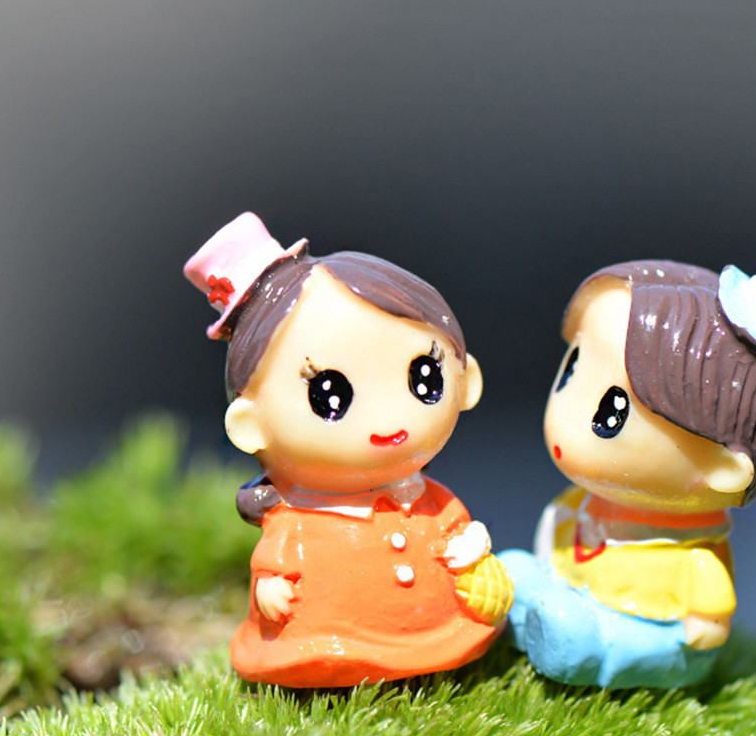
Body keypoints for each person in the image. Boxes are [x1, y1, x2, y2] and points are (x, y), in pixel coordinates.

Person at [185, 212, 512, 687]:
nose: (389, 418)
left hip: (439, 628)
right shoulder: (299, 519)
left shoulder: (429, 500)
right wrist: (271, 588)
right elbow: (276, 559)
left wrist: (471, 558)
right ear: (250, 426)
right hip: (325, 632)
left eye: (424, 377)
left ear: (466, 380)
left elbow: (454, 531)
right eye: (330, 395)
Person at [499, 247, 756, 689]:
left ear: (723, 469)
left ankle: (582, 647)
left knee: (620, 640)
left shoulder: (694, 558)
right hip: (573, 588)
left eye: (612, 412)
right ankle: (542, 617)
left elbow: (707, 622)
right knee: (516, 570)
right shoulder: (580, 506)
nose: (565, 418)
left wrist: (703, 625)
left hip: (646, 628)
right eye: (572, 368)